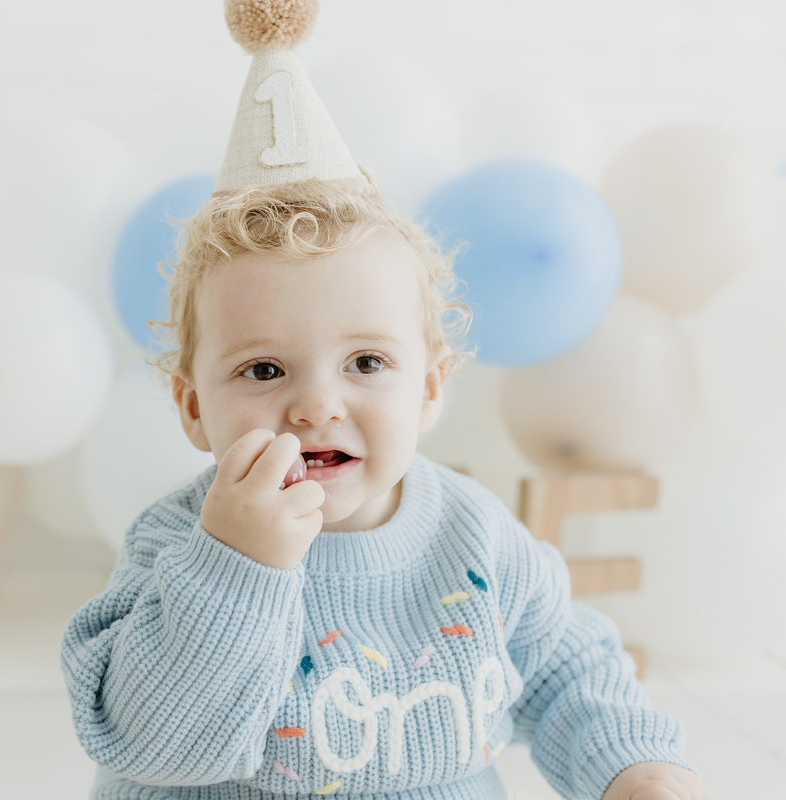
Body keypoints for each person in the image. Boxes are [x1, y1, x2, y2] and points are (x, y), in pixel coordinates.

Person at [62, 3, 708, 799]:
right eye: (264, 371)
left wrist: (637, 771)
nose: (316, 406)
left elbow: (567, 670)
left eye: (366, 360)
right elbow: (146, 740)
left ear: (430, 387)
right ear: (193, 407)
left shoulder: (475, 538)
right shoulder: (175, 549)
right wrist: (234, 568)